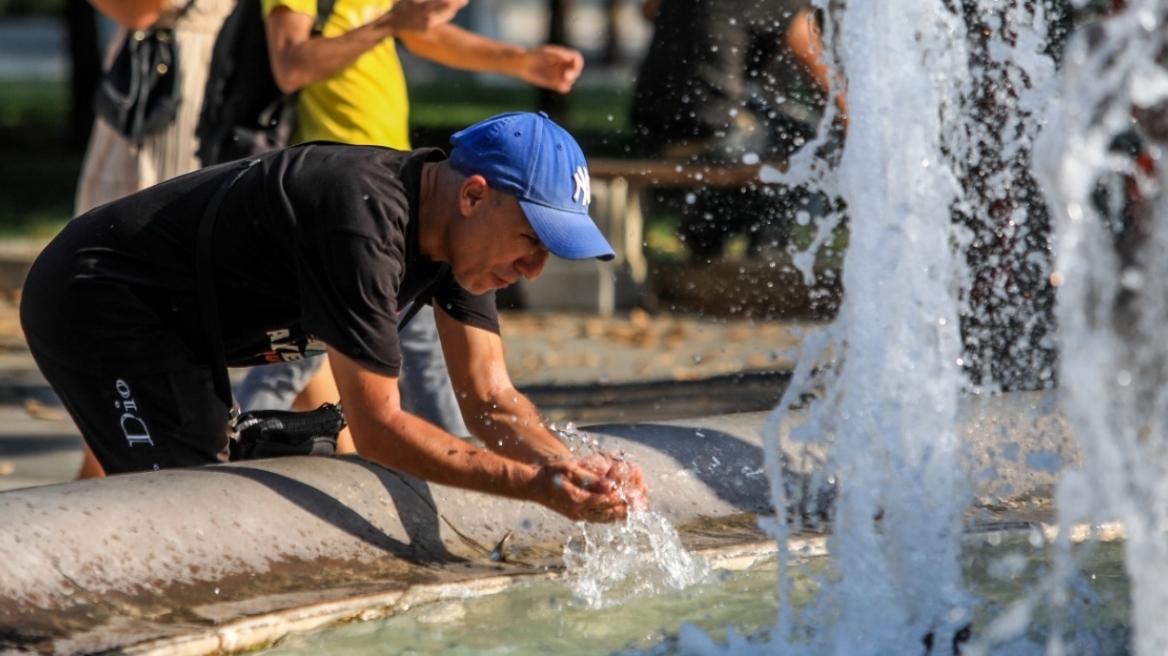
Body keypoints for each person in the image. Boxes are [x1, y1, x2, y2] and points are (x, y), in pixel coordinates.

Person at [20, 112, 649, 522]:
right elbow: (380, 431)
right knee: (187, 509)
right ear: (474, 195)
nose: (534, 269)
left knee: (214, 501)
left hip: (184, 323)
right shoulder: (362, 220)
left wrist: (573, 468)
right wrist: (533, 487)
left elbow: (490, 399)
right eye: (532, 240)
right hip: (100, 298)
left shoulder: (459, 242)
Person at [235, 0, 586, 444]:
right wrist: (390, 22)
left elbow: (422, 33)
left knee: (422, 356)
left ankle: (455, 463)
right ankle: (229, 450)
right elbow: (292, 66)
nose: (533, 268)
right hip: (338, 200)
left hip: (404, 192)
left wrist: (519, 61)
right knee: (301, 355)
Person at [73, 0, 236, 478]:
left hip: (172, 95)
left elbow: (143, 7)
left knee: (119, 284)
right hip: (185, 84)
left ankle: (96, 492)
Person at [630, 0, 845, 260]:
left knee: (764, 120)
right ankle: (767, 244)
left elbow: (648, 11)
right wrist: (854, 131)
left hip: (652, 125)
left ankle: (708, 229)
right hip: (713, 132)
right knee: (815, 144)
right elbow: (823, 78)